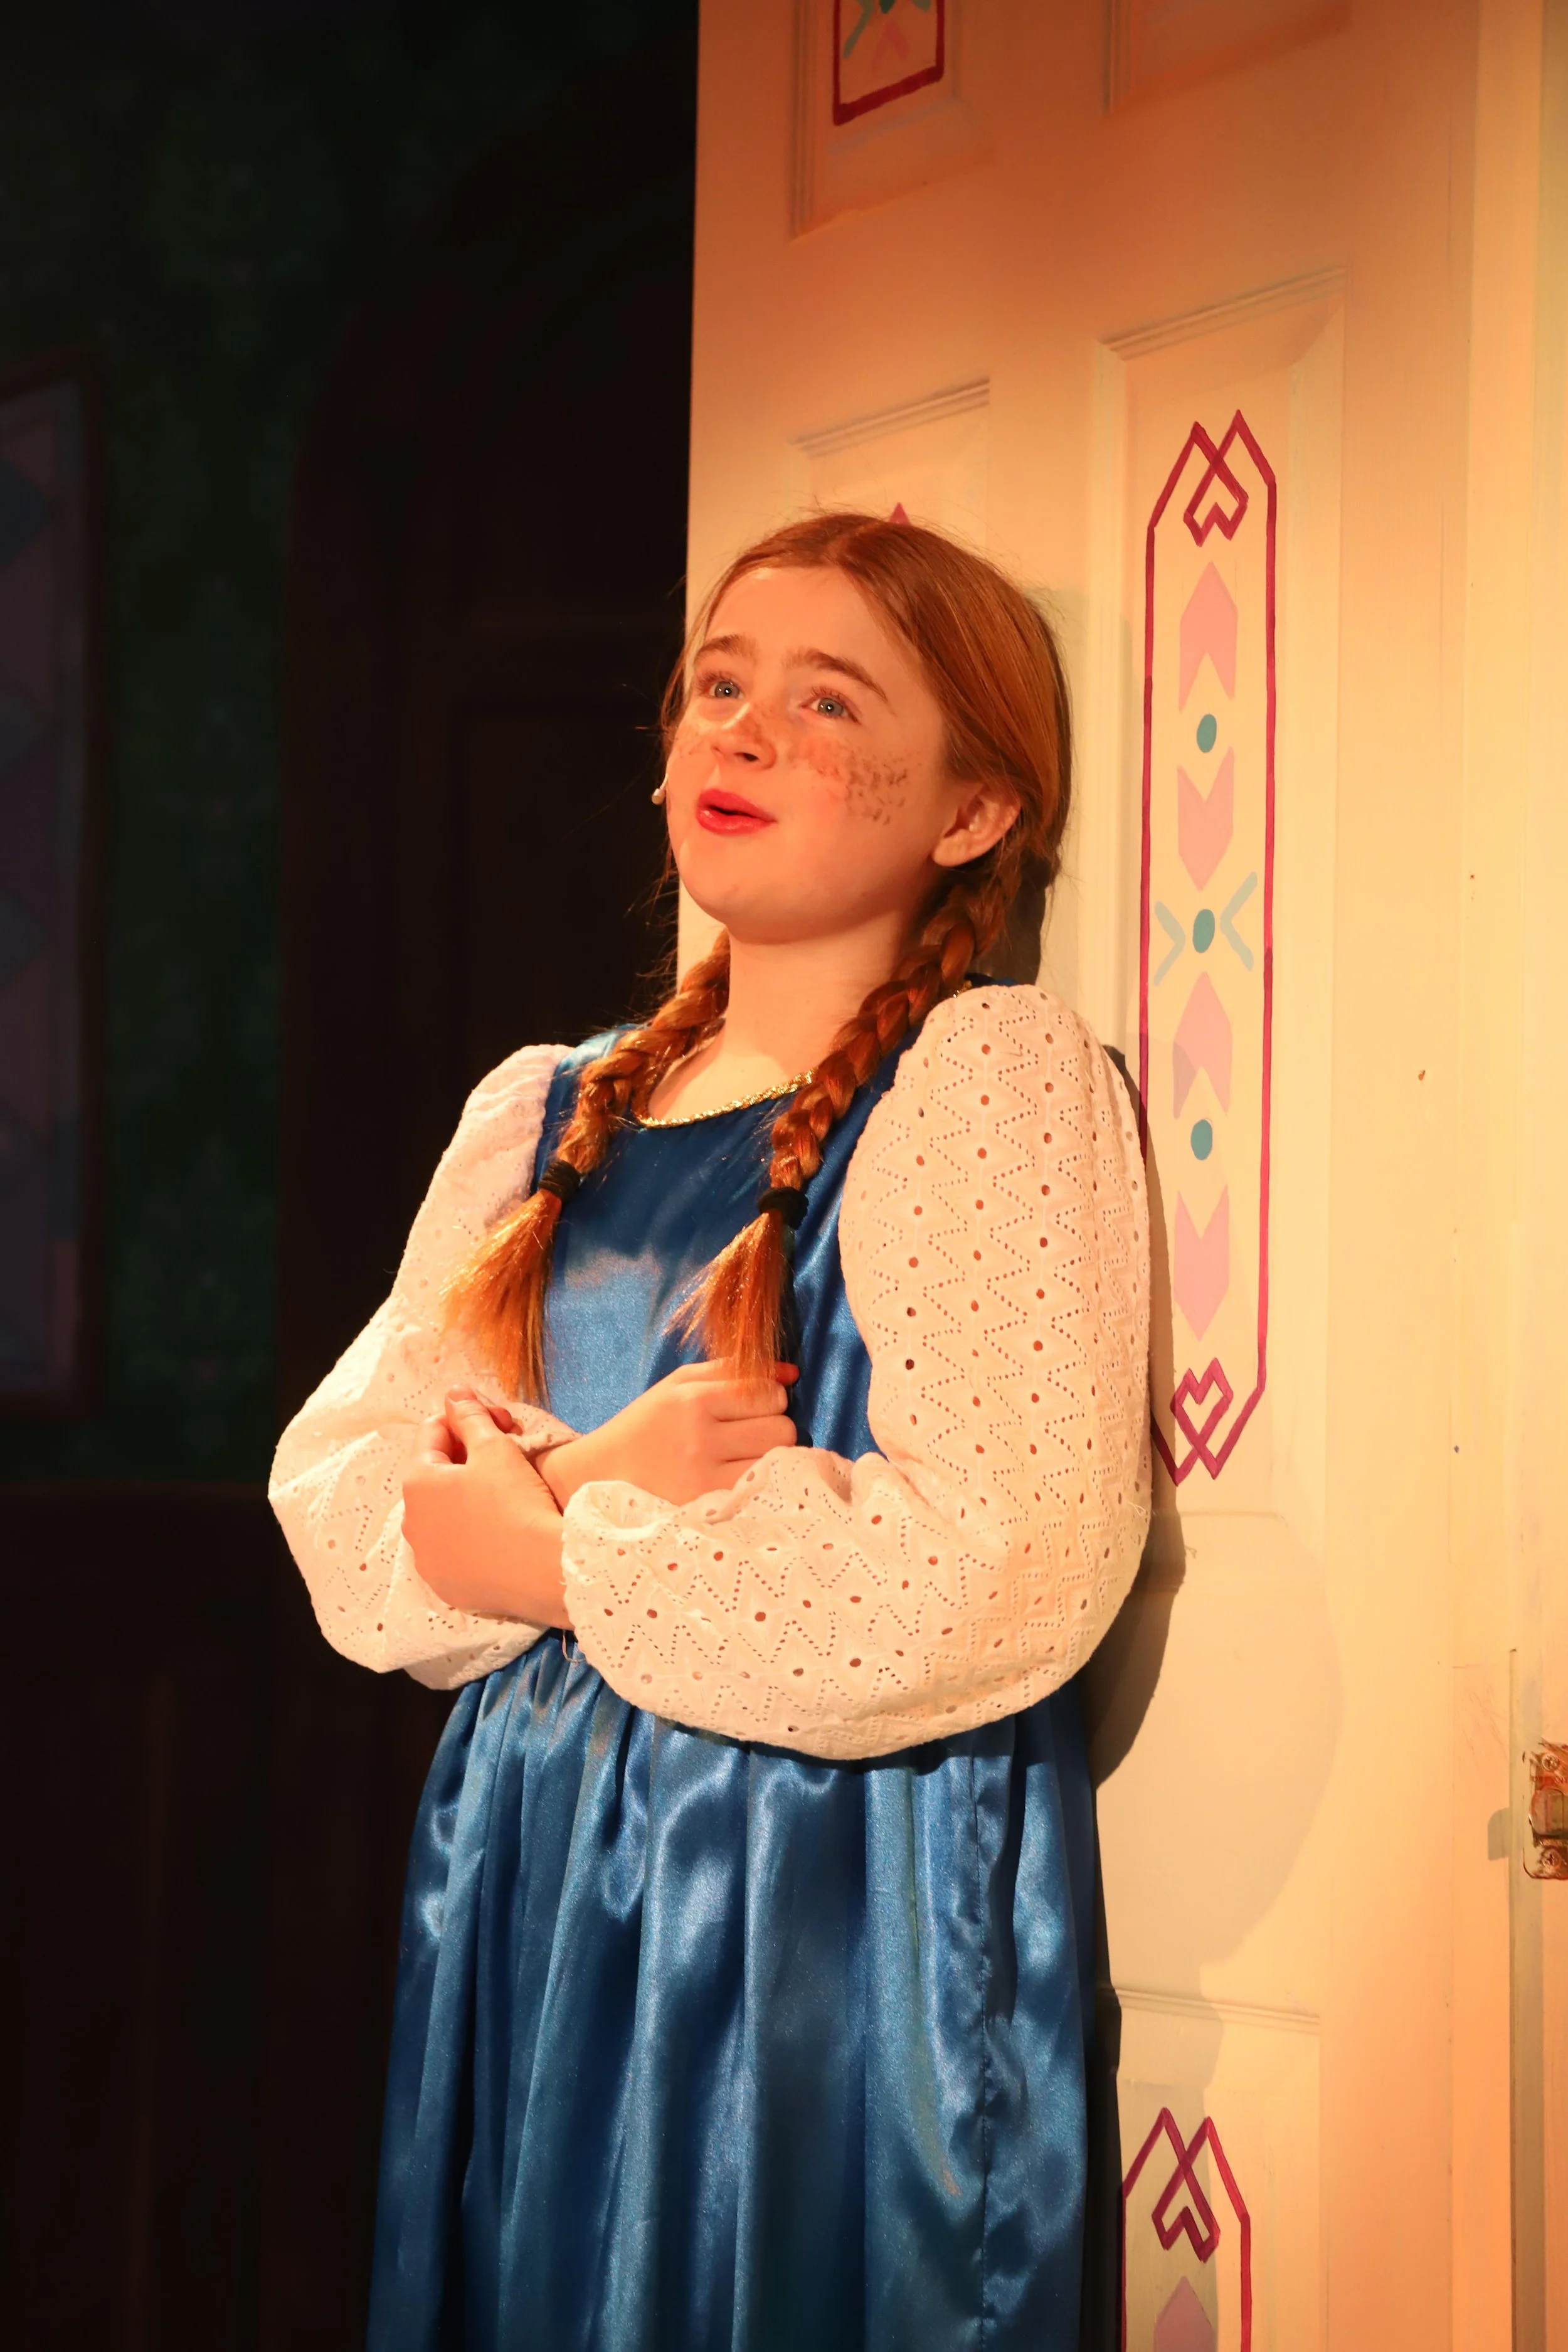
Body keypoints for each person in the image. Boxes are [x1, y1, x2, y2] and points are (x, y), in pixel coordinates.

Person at [270, 510, 1152, 2352]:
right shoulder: (543, 1113)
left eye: (825, 704)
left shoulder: (981, 1086)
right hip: (531, 1862)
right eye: (718, 686)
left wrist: (543, 1548)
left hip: (816, 1877)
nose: (738, 735)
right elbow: (358, 1505)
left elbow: (1001, 1559)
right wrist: (586, 1488)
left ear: (972, 810)